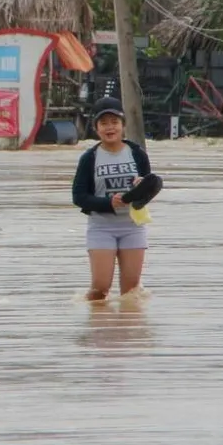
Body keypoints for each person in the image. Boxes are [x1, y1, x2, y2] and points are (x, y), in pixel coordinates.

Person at [71, 96, 152, 302]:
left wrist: (140, 188)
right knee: (100, 288)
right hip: (101, 227)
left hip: (133, 226)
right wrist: (108, 203)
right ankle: (90, 317)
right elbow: (78, 197)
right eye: (104, 123)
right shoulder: (89, 158)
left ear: (123, 125)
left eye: (114, 122)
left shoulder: (137, 154)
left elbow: (149, 191)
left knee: (131, 292)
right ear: (96, 128)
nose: (110, 127)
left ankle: (126, 321)